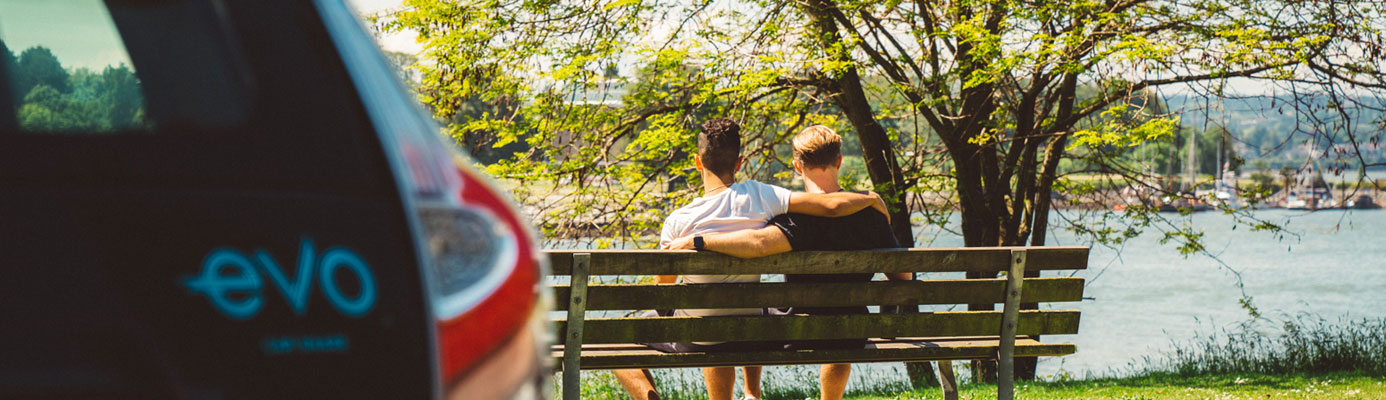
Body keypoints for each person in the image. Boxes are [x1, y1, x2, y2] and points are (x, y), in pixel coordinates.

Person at [669, 125, 956, 400]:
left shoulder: (792, 219)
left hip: (798, 330)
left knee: (749, 310)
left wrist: (699, 240)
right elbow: (903, 280)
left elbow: (759, 244)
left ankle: (751, 394)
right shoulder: (872, 216)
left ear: (797, 165)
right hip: (851, 333)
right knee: (839, 315)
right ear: (840, 160)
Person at [614, 118, 889, 400]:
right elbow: (830, 206)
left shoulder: (678, 221)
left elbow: (663, 294)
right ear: (739, 162)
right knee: (751, 306)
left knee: (621, 336)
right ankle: (751, 393)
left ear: (698, 162)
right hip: (751, 330)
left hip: (699, 337)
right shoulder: (762, 197)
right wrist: (870, 198)